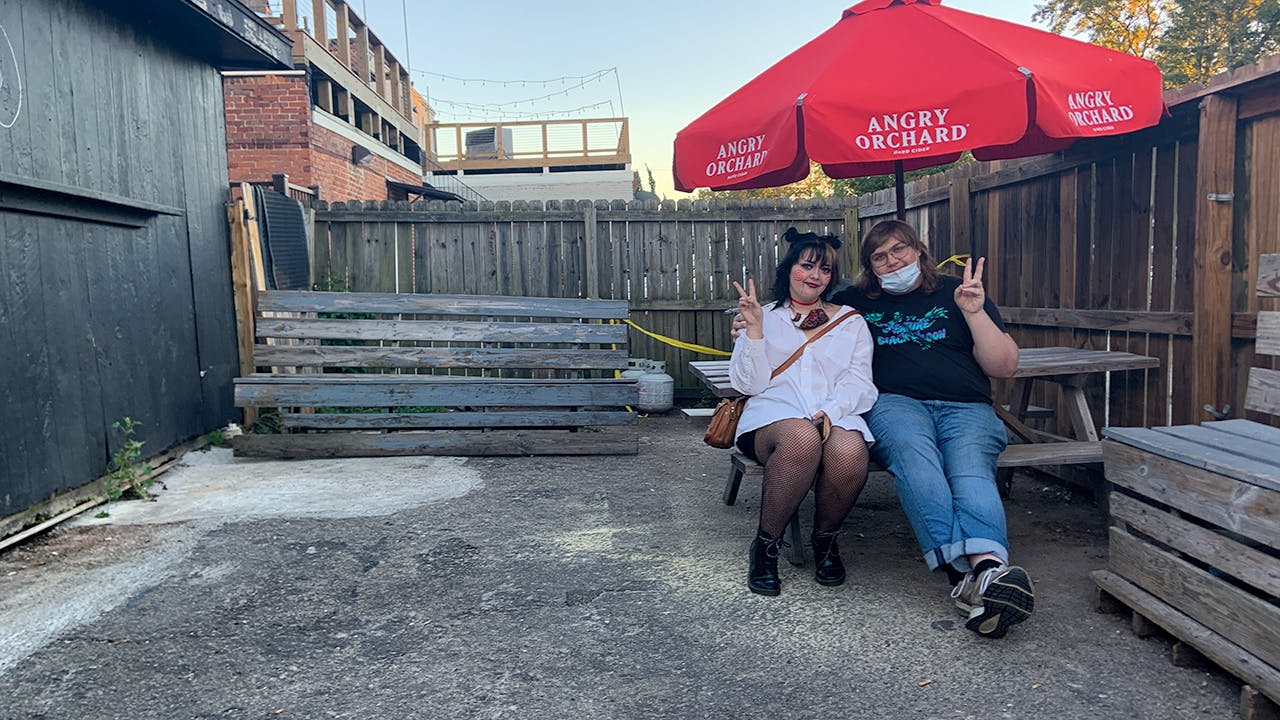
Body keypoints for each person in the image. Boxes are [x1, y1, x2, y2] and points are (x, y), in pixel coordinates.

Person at [832, 219, 1034, 639]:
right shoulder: (856, 301)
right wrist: (753, 325)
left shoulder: (958, 292)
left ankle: (980, 576)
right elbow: (801, 312)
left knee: (970, 471)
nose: (892, 261)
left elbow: (1005, 367)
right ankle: (977, 573)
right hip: (896, 403)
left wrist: (974, 313)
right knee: (915, 458)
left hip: (967, 406)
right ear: (870, 267)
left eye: (899, 249)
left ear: (918, 250)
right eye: (879, 256)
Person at [729, 228, 878, 596]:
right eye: (807, 266)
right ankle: (766, 547)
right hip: (772, 418)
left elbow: (860, 381)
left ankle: (825, 541)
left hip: (835, 412)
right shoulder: (762, 316)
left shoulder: (851, 322)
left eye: (825, 269)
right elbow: (749, 384)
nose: (815, 276)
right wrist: (755, 333)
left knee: (850, 451)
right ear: (789, 268)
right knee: (801, 438)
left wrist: (831, 411)